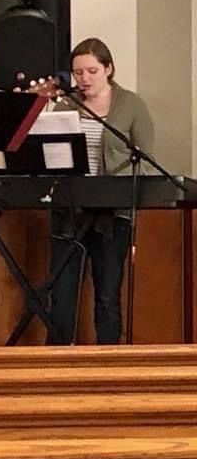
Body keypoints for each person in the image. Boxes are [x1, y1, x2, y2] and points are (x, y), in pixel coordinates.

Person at [47, 37, 155, 344]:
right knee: (62, 295)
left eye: (92, 71)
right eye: (78, 72)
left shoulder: (131, 105)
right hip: (70, 211)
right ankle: (57, 360)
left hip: (112, 216)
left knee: (107, 295)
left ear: (108, 69)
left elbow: (147, 161)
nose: (84, 79)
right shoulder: (65, 105)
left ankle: (110, 359)